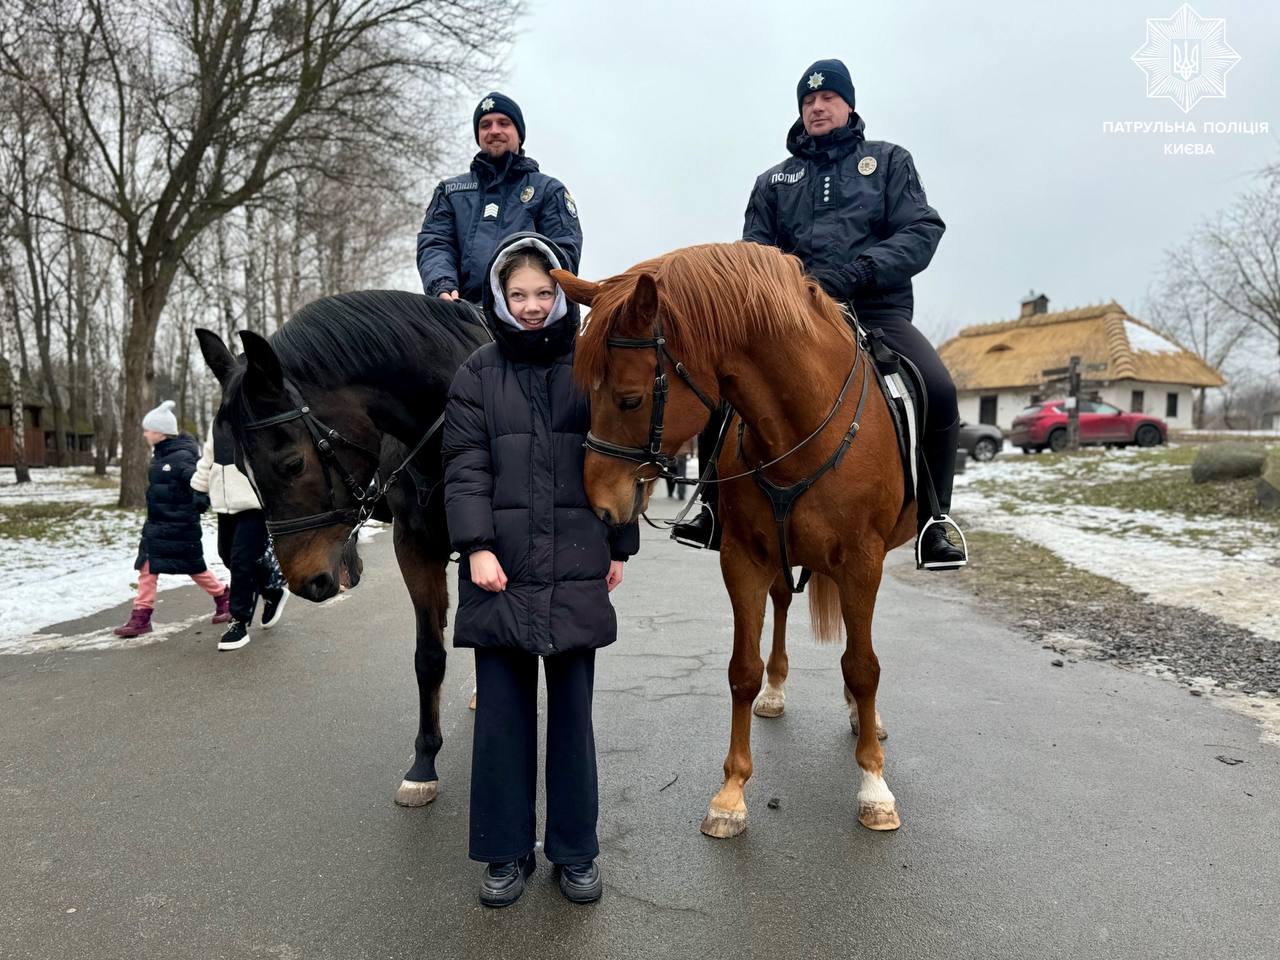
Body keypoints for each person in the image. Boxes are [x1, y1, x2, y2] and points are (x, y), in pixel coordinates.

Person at [673, 58, 965, 569]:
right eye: (807, 101)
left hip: (876, 311)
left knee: (938, 388)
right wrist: (795, 287)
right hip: (792, 320)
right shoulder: (773, 181)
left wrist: (856, 274)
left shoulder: (889, 161)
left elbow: (921, 230)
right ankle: (712, 508)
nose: (817, 107)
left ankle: (934, 521)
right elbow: (755, 255)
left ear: (849, 104)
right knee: (722, 385)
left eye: (827, 97)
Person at [442, 232, 639, 908]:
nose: (530, 305)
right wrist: (476, 547)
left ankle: (575, 851)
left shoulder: (592, 365)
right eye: (518, 294)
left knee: (572, 717)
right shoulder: (475, 373)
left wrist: (618, 545)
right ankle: (504, 853)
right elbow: (463, 467)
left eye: (544, 292)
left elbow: (618, 457)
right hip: (499, 567)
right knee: (501, 718)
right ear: (499, 297)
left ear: (563, 294)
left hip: (577, 558)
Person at [417, 92, 583, 305]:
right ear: (478, 136)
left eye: (503, 123)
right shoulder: (450, 192)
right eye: (485, 125)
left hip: (529, 316)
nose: (494, 130)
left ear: (519, 134)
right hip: (460, 314)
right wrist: (442, 285)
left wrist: (523, 297)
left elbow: (563, 255)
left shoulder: (549, 191)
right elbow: (436, 243)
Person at [113, 401, 229, 638]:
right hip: (157, 526)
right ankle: (141, 617)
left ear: (160, 431)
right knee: (147, 568)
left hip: (180, 525)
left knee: (195, 568)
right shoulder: (161, 456)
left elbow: (199, 482)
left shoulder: (181, 458)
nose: (145, 433)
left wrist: (201, 499)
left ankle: (223, 596)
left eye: (148, 429)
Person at [190, 419, 289, 651]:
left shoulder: (256, 413)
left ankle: (239, 622)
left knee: (242, 560)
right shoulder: (219, 421)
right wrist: (199, 488)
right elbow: (208, 458)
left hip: (254, 502)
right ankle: (272, 590)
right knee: (227, 556)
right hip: (224, 503)